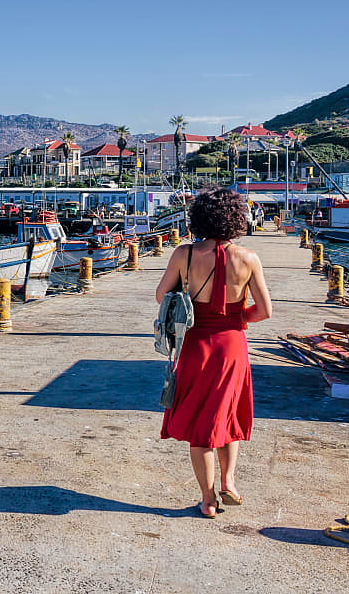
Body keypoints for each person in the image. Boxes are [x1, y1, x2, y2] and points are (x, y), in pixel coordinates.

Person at [155, 187, 272, 518]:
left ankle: (208, 500)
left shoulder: (184, 254)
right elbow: (265, 311)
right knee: (227, 415)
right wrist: (236, 320)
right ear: (237, 218)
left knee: (199, 424)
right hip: (232, 346)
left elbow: (162, 296)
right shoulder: (248, 258)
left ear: (199, 217)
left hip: (195, 345)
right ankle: (229, 481)